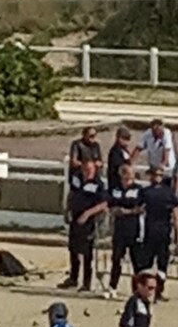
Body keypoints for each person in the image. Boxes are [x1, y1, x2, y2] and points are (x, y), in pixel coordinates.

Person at [59, 158, 107, 294]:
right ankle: (73, 278)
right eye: (85, 170)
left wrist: (88, 213)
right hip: (75, 218)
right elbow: (72, 194)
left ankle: (87, 282)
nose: (87, 172)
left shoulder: (98, 184)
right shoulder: (77, 179)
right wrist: (67, 209)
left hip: (89, 222)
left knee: (87, 253)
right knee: (73, 248)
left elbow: (103, 204)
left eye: (89, 170)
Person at [135, 166, 178, 298]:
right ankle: (151, 290)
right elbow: (176, 215)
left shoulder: (149, 192)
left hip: (159, 231)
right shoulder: (165, 192)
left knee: (159, 264)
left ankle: (156, 290)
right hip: (154, 231)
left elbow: (176, 215)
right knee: (153, 263)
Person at [106, 163, 143, 299]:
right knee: (116, 259)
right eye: (126, 176)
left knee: (136, 262)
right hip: (119, 231)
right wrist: (116, 211)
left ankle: (138, 290)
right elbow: (111, 205)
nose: (128, 178)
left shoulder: (138, 190)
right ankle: (112, 287)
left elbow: (141, 208)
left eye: (131, 176)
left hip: (134, 230)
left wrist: (127, 211)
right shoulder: (115, 190)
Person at [105, 126, 135, 192]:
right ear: (119, 138)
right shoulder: (115, 151)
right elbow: (119, 167)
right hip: (117, 183)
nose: (127, 142)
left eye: (128, 139)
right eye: (125, 139)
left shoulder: (124, 150)